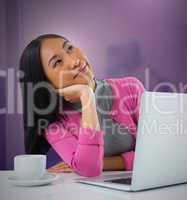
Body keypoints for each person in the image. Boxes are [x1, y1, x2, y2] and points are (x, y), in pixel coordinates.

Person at [19, 34, 145, 177]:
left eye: (70, 48)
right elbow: (89, 169)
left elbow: (154, 155)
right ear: (46, 83)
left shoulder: (130, 88)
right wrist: (87, 96)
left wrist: (104, 163)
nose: (74, 61)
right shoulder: (53, 124)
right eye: (58, 62)